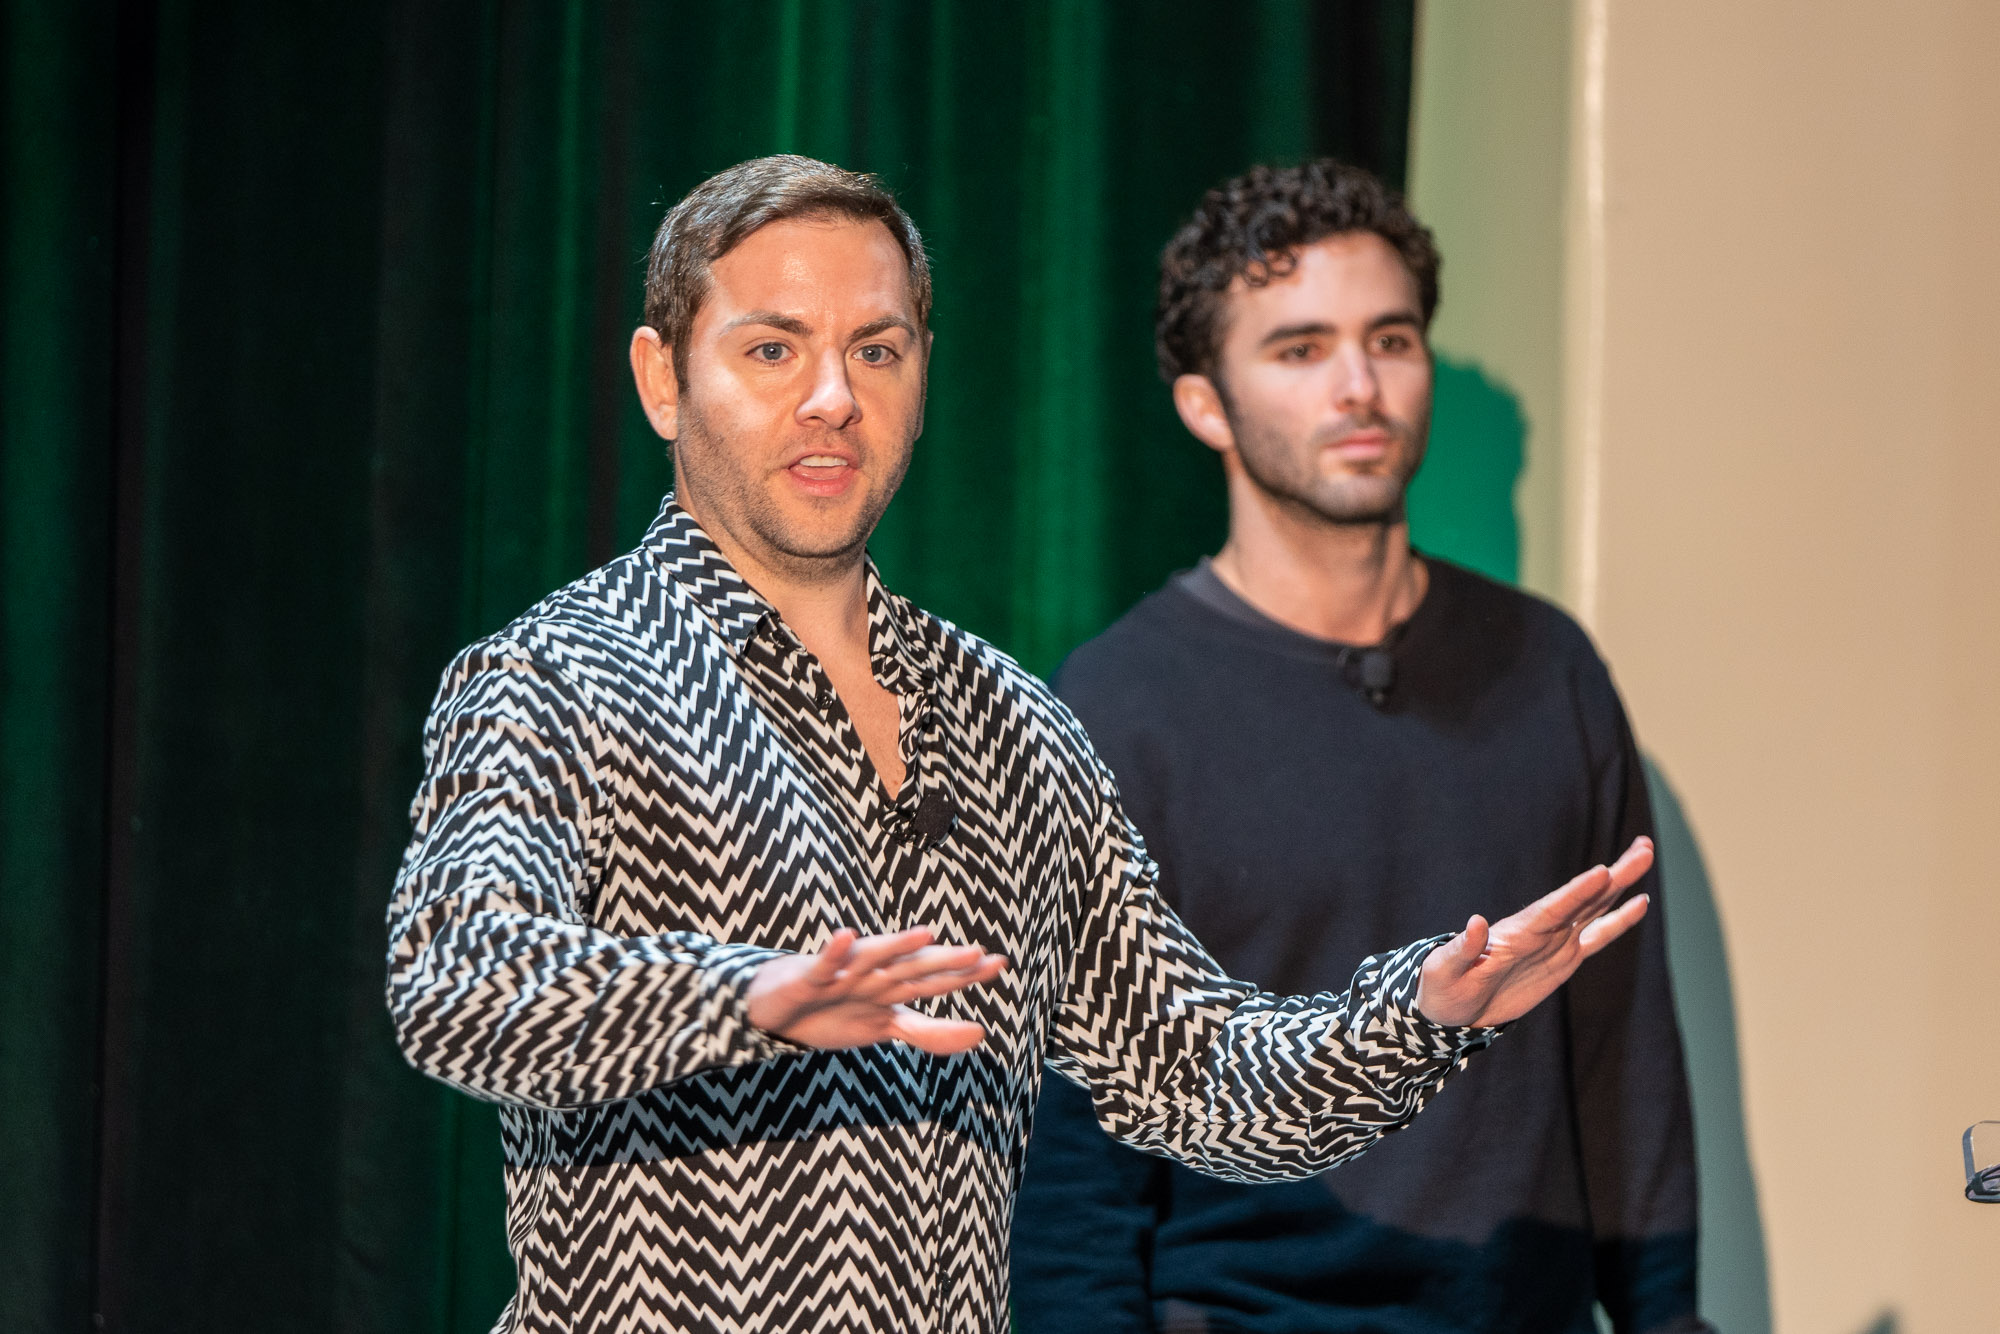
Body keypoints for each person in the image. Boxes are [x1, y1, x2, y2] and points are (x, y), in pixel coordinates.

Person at [385, 154, 1654, 1334]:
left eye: (874, 350)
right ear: (663, 379)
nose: (832, 398)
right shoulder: (559, 671)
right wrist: (749, 994)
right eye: (772, 349)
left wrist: (1421, 1011)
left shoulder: (1007, 717)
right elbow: (455, 978)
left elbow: (1194, 1070)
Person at [1009, 160, 1708, 1334]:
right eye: (1298, 350)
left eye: (1388, 338)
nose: (1356, 386)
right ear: (1203, 404)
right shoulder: (1112, 707)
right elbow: (1073, 1155)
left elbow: (1623, 1070)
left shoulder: (1549, 672)